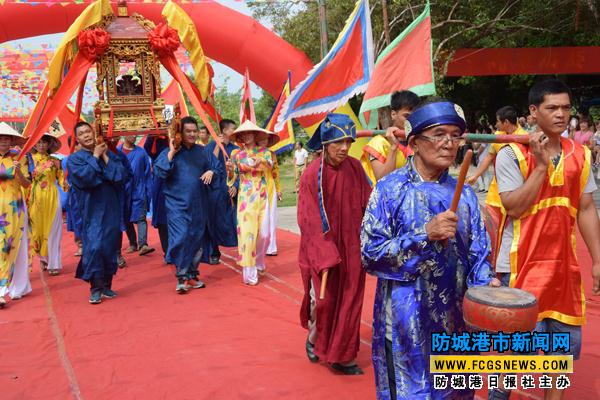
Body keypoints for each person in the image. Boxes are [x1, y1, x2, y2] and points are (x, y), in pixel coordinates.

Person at [360, 101, 499, 400]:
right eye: (439, 134)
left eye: (455, 136)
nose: (449, 144)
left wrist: (487, 286)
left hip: (456, 325)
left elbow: (478, 256)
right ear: (414, 143)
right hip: (405, 324)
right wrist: (424, 234)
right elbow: (370, 254)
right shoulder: (388, 190)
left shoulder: (466, 197)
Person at [492, 80, 600, 400]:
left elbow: (585, 207)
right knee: (515, 357)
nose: (561, 114)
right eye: (552, 108)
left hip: (562, 268)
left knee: (560, 357)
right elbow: (513, 206)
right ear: (533, 112)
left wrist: (597, 261)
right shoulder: (512, 153)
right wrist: (540, 167)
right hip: (518, 266)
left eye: (566, 108)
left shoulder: (579, 155)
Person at [297, 114, 371, 375]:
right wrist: (325, 254)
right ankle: (314, 339)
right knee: (325, 303)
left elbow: (369, 203)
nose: (344, 148)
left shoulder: (354, 168)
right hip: (324, 250)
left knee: (350, 300)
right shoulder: (311, 175)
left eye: (348, 142)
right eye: (338, 142)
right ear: (325, 144)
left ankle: (342, 356)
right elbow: (308, 219)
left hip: (352, 248)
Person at [67, 122, 131, 304]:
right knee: (94, 246)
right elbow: (85, 179)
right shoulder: (75, 159)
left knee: (110, 245)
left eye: (88, 131)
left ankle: (107, 285)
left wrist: (104, 157)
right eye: (82, 133)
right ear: (77, 139)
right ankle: (95, 287)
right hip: (91, 208)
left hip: (111, 206)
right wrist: (95, 157)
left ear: (94, 133)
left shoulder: (108, 153)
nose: (86, 135)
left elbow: (120, 177)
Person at [154, 116, 217, 293]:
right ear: (180, 133)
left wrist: (211, 171)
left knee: (196, 241)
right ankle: (182, 276)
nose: (191, 134)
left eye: (194, 131)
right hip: (176, 205)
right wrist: (172, 153)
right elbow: (160, 171)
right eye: (188, 131)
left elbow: (217, 167)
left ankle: (191, 274)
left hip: (199, 204)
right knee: (181, 237)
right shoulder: (171, 151)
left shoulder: (202, 151)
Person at [465, 106, 528, 263]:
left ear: (506, 122)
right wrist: (476, 176)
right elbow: (488, 157)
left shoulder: (526, 138)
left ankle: (512, 265)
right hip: (495, 194)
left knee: (512, 233)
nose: (496, 124)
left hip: (516, 195)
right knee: (490, 230)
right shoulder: (498, 136)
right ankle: (492, 263)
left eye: (498, 121)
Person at [228, 121, 272, 285]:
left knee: (264, 233)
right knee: (248, 234)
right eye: (242, 134)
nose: (245, 137)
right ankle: (249, 272)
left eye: (248, 134)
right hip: (246, 196)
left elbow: (269, 166)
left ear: (255, 135)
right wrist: (231, 169)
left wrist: (255, 161)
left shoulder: (264, 152)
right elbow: (233, 176)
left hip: (261, 193)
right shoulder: (236, 155)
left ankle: (259, 260)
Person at [0, 123, 31, 308]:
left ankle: (16, 286)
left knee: (13, 247)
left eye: (6, 139)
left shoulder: (20, 158)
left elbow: (27, 184)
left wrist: (18, 171)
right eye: (0, 139)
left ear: (11, 141)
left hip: (16, 208)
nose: (3, 142)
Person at [360, 90, 420, 184]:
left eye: (414, 116)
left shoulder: (418, 143)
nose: (411, 120)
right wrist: (393, 148)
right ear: (393, 114)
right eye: (406, 116)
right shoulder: (377, 144)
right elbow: (383, 181)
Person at [202, 119, 239, 265]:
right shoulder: (210, 147)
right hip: (214, 191)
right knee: (213, 221)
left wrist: (236, 185)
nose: (234, 132)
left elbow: (240, 171)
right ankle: (214, 252)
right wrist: (218, 145)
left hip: (230, 192)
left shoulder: (236, 149)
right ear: (224, 130)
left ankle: (241, 248)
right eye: (232, 129)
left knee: (233, 221)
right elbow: (209, 164)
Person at [27, 133, 65, 276]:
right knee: (37, 231)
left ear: (49, 145)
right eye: (38, 142)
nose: (41, 145)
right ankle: (43, 258)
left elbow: (61, 179)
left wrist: (66, 184)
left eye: (44, 142)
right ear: (35, 145)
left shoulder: (55, 161)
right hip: (36, 198)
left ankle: (54, 263)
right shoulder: (29, 160)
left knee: (53, 231)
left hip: (52, 197)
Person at [119, 135, 154, 256]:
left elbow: (147, 172)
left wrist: (147, 189)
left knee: (141, 217)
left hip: (139, 189)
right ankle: (133, 243)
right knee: (126, 217)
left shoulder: (141, 152)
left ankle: (143, 244)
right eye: (131, 133)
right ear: (124, 134)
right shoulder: (117, 152)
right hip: (123, 190)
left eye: (135, 133)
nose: (133, 136)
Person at [144, 135, 170, 261]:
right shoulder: (154, 139)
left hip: (176, 184)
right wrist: (153, 135)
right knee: (162, 219)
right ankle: (167, 251)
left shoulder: (177, 140)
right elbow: (148, 148)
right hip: (161, 185)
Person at [257, 131, 282, 257]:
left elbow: (275, 172)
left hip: (270, 187)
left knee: (271, 216)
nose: (263, 141)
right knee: (259, 217)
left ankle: (271, 247)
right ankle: (258, 245)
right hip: (256, 188)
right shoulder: (252, 153)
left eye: (266, 139)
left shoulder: (272, 154)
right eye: (261, 138)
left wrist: (278, 189)